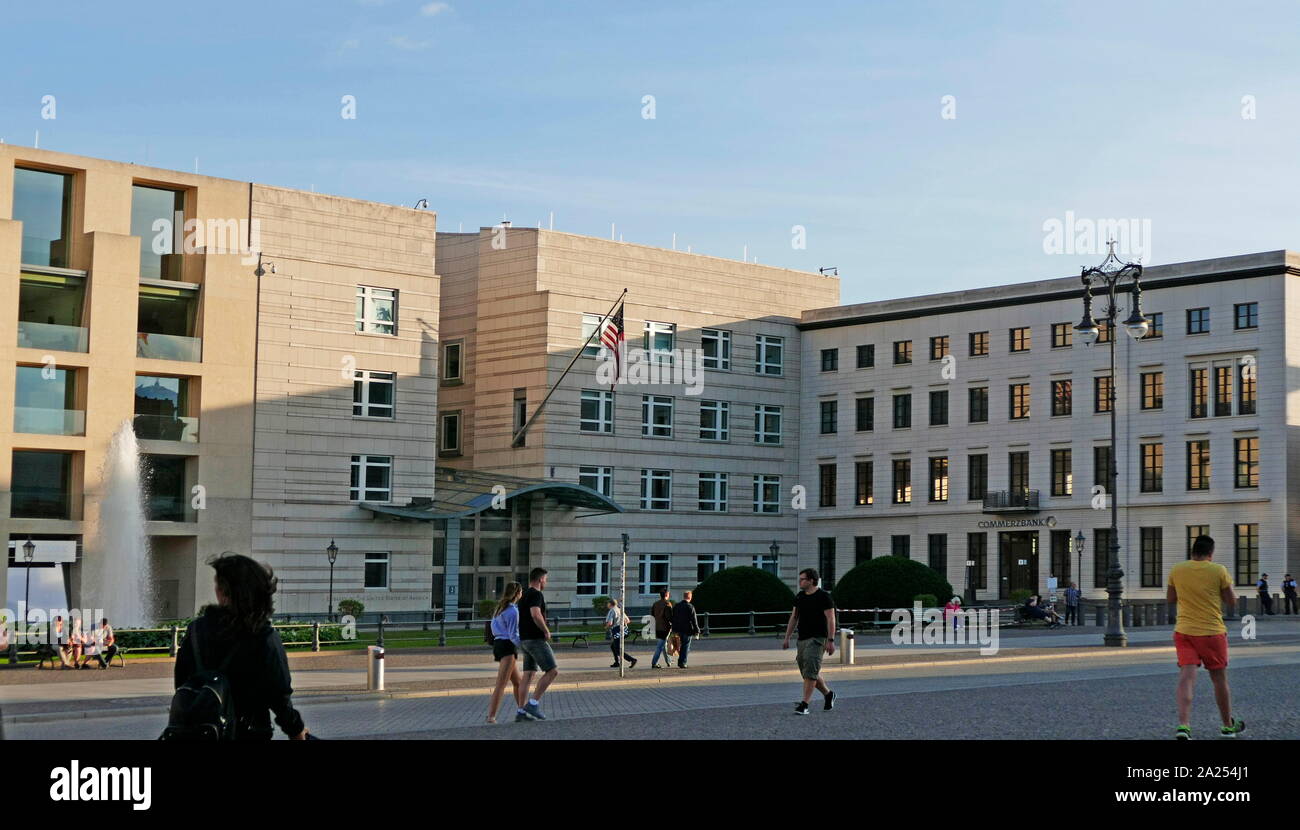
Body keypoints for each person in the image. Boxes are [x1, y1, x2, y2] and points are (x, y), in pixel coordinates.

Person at [173, 553, 309, 740]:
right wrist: (297, 731)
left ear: (223, 591)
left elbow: (182, 683)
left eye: (217, 585)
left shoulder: (196, 630)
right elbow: (279, 696)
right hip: (249, 732)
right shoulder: (263, 637)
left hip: (199, 732)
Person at [1168, 535, 1244, 740]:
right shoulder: (1218, 570)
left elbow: (1170, 598)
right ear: (1211, 553)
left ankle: (1183, 726)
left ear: (1192, 552)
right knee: (1219, 679)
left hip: (1184, 631)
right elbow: (1231, 601)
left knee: (1186, 677)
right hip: (1212, 631)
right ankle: (1228, 726)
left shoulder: (1177, 570)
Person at [782, 568, 836, 715]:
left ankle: (804, 704)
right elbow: (794, 618)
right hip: (802, 639)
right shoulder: (800, 596)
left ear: (812, 580)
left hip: (818, 638)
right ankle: (828, 694)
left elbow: (831, 619)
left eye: (803, 579)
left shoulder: (824, 597)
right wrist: (787, 637)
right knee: (808, 672)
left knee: (810, 671)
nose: (800, 582)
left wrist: (830, 640)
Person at [516, 567, 557, 721]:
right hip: (535, 639)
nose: (546, 582)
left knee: (528, 674)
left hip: (524, 639)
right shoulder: (536, 594)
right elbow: (535, 613)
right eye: (545, 579)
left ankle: (521, 712)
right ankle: (533, 703)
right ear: (540, 579)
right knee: (552, 671)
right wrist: (546, 630)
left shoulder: (524, 594)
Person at [486, 582, 528, 724]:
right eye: (521, 591)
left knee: (518, 682)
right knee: (501, 684)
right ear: (517, 593)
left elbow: (492, 628)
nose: (522, 593)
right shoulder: (513, 611)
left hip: (498, 644)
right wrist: (524, 647)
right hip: (507, 647)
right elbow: (513, 634)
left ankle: (523, 711)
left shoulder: (499, 608)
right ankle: (491, 716)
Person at [604, 598, 637, 669]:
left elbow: (610, 623)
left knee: (618, 650)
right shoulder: (619, 609)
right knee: (613, 646)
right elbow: (628, 621)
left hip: (617, 632)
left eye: (608, 603)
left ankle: (632, 660)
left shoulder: (612, 610)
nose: (607, 604)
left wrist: (606, 627)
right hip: (624, 631)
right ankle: (617, 662)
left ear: (610, 604)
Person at [671, 590, 700, 668]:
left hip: (677, 629)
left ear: (684, 597)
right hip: (687, 630)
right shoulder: (690, 606)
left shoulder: (676, 606)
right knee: (685, 646)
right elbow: (694, 620)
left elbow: (672, 618)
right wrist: (697, 630)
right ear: (690, 597)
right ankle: (682, 662)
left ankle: (680, 661)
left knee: (679, 646)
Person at [649, 589, 674, 668]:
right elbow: (669, 617)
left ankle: (668, 661)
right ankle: (654, 662)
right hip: (665, 628)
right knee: (660, 646)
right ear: (666, 595)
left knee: (663, 645)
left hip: (657, 627)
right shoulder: (667, 604)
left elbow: (652, 616)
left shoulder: (655, 604)